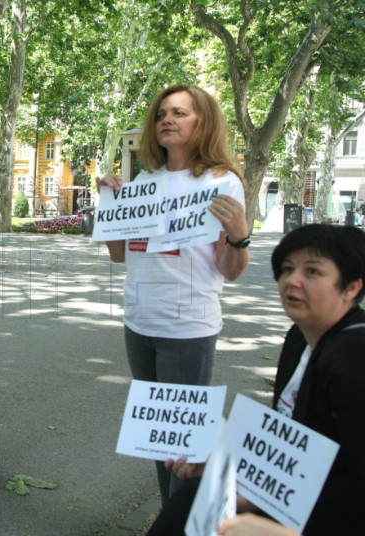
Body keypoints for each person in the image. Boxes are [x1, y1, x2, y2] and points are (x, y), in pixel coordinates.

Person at [148, 224, 365, 536]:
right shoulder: (300, 337)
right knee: (187, 503)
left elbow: (359, 489)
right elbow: (286, 445)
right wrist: (225, 467)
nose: (293, 281)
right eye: (287, 269)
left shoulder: (355, 356)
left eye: (313, 272)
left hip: (326, 517)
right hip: (285, 499)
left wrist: (259, 498)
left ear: (351, 287)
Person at [99, 85, 250, 505]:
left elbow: (231, 271)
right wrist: (110, 208)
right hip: (139, 323)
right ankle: (170, 518)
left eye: (180, 113)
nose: (167, 119)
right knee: (159, 441)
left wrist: (239, 238)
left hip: (187, 328)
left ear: (202, 121)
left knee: (187, 446)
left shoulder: (222, 183)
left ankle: (186, 522)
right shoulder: (144, 181)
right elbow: (120, 256)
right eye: (162, 113)